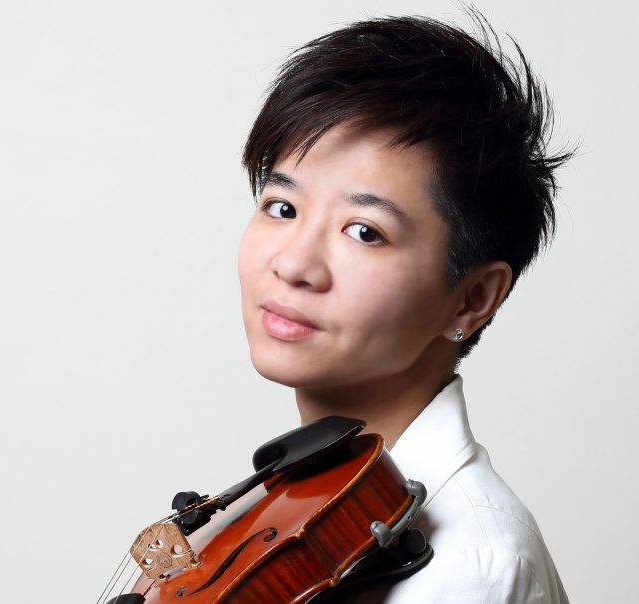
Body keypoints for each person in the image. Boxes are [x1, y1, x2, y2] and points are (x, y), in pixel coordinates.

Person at [237, 11, 573, 604]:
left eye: (364, 231)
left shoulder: (471, 569)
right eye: (282, 207)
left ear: (472, 298)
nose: (293, 264)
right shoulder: (300, 506)